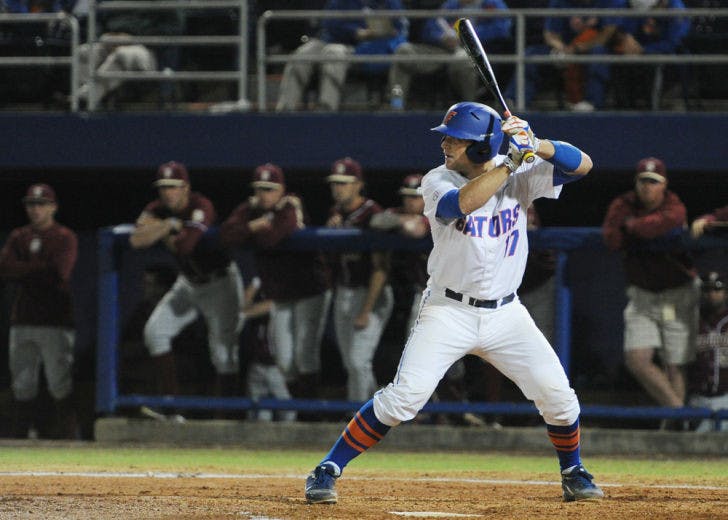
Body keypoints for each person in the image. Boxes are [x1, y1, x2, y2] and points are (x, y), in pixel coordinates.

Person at [304, 101, 603, 504]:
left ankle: (573, 470)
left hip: (506, 314)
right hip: (449, 311)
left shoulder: (520, 168)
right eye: (447, 137)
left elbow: (584, 165)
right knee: (404, 398)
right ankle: (327, 468)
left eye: (457, 139)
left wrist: (540, 144)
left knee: (559, 397)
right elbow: (459, 204)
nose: (446, 144)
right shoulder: (437, 179)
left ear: (482, 146)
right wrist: (510, 163)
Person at [129, 161, 244, 412]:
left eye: (173, 186)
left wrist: (161, 230)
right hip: (188, 282)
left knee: (224, 355)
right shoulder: (157, 208)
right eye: (163, 187)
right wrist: (170, 226)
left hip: (220, 283)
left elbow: (184, 246)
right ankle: (172, 408)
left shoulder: (201, 205)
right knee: (155, 332)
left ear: (185, 187)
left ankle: (228, 417)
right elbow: (137, 240)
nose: (168, 192)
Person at [220, 163, 332, 404]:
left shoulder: (290, 205)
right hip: (281, 293)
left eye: (270, 188)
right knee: (283, 359)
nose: (264, 194)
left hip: (310, 288)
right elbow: (226, 235)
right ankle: (304, 405)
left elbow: (271, 238)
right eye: (260, 188)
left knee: (305, 354)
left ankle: (310, 414)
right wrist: (252, 226)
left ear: (281, 189)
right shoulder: (251, 210)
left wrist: (251, 231)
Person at [602, 157, 699, 413]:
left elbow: (670, 220)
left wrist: (632, 228)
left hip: (677, 292)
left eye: (654, 182)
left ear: (663, 184)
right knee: (637, 359)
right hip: (642, 295)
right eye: (643, 181)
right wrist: (637, 230)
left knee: (674, 364)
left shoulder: (673, 203)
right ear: (636, 183)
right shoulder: (624, 203)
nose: (648, 187)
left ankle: (674, 428)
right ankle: (680, 415)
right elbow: (611, 238)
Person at [0, 183, 79, 439]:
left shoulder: (64, 236)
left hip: (55, 319)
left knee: (59, 381)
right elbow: (4, 268)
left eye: (41, 204)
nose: (35, 210)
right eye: (31, 204)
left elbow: (60, 272)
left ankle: (68, 436)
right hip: (23, 318)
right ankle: (20, 437)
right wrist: (39, 268)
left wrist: (23, 269)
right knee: (22, 382)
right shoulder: (18, 236)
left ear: (53, 207)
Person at [325, 157, 394, 402]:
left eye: (344, 183)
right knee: (352, 364)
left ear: (358, 185)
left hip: (370, 292)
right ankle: (377, 414)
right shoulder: (335, 213)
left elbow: (381, 268)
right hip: (344, 290)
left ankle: (356, 420)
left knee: (357, 362)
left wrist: (366, 309)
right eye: (335, 183)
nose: (338, 188)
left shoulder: (371, 213)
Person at [275, 0, 408, 112]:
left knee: (333, 53)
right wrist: (356, 32)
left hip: (359, 48)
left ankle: (326, 109)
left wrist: (376, 34)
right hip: (330, 39)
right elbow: (329, 23)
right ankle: (284, 109)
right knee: (301, 55)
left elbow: (399, 27)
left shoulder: (388, 2)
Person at [386, 0, 512, 110]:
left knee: (461, 60)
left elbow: (502, 29)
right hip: (444, 50)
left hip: (475, 51)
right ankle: (396, 105)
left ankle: (471, 109)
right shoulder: (451, 4)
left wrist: (465, 36)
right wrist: (441, 37)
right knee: (403, 52)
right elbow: (430, 27)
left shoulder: (492, 4)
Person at [503, 0, 625, 112]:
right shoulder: (560, 1)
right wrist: (561, 48)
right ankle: (514, 101)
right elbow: (550, 34)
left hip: (592, 48)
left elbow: (606, 34)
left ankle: (592, 103)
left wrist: (578, 48)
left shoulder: (611, 1)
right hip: (565, 49)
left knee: (599, 53)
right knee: (532, 53)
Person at [609, 0, 690, 110]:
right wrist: (626, 37)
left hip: (669, 56)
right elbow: (629, 26)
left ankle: (652, 109)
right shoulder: (641, 6)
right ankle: (625, 109)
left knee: (653, 64)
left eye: (652, 9)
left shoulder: (676, 10)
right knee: (620, 62)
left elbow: (673, 43)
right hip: (641, 52)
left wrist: (643, 50)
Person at [241, 276, 297, 423]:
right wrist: (256, 282)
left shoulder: (285, 301)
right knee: (259, 418)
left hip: (278, 368)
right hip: (257, 365)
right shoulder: (259, 299)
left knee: (288, 415)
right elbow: (242, 305)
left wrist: (245, 313)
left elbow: (272, 304)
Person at [688, 271, 728, 432]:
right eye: (707, 290)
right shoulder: (693, 321)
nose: (712, 294)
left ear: (726, 293)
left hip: (724, 398)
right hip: (696, 398)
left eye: (717, 290)